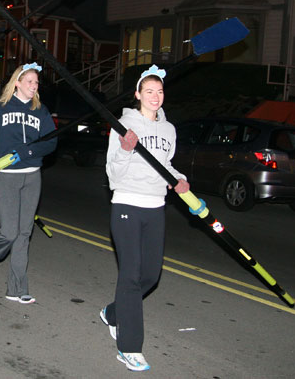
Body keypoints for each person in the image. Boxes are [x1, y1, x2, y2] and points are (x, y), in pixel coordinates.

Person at [99, 65, 190, 372]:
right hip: (127, 203)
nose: (155, 96)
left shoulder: (169, 130)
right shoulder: (124, 125)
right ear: (137, 94)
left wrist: (179, 178)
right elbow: (113, 172)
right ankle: (129, 347)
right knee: (130, 275)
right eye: (149, 91)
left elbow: (166, 165)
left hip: (156, 207)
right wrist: (126, 149)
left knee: (150, 275)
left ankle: (114, 314)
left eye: (160, 91)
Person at [0, 63, 57, 304]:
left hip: (32, 176)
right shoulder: (0, 109)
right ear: (17, 82)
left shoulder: (41, 110)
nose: (34, 86)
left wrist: (28, 152)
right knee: (9, 231)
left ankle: (17, 288)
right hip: (6, 175)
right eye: (29, 81)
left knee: (24, 232)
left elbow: (51, 142)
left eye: (36, 82)